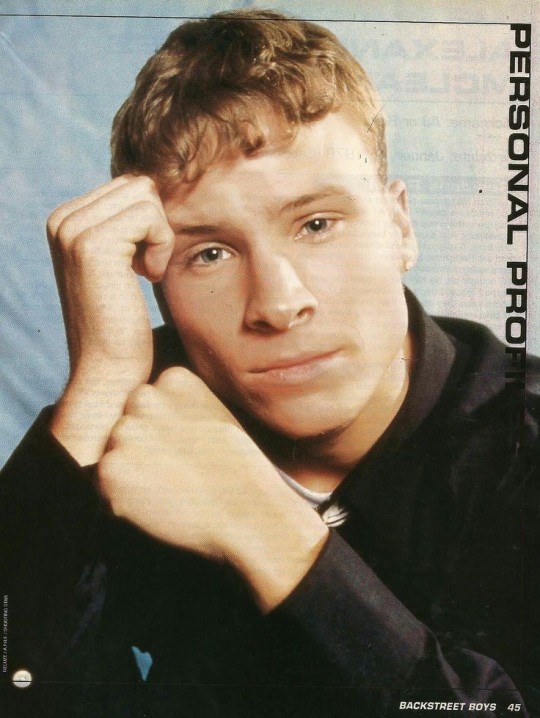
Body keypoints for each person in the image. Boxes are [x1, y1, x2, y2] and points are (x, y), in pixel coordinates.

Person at [1, 9, 538, 717]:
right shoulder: (128, 417)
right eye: (209, 253)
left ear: (400, 226)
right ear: (155, 277)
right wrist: (101, 379)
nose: (278, 304)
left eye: (317, 224)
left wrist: (267, 528)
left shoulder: (521, 445)